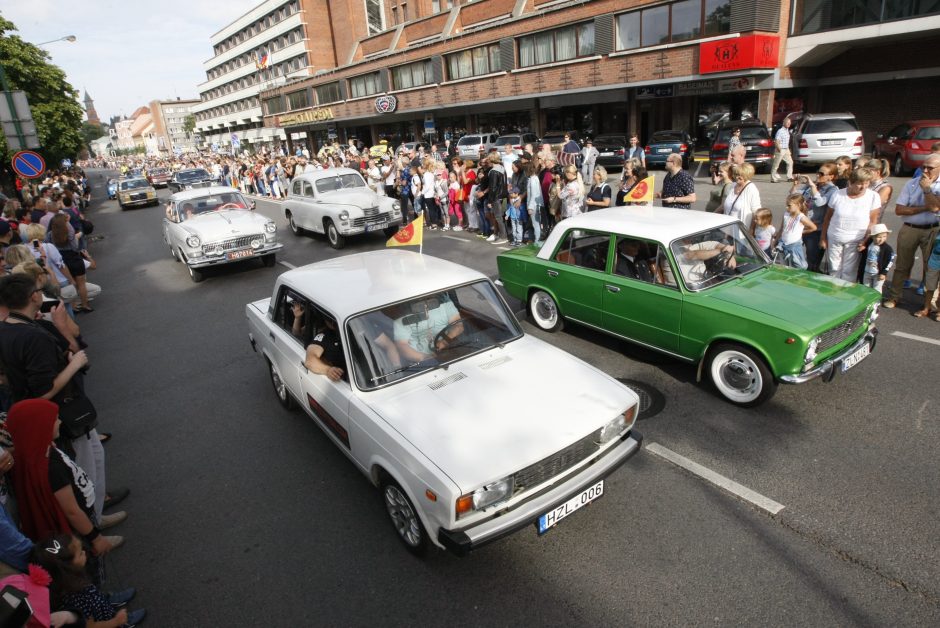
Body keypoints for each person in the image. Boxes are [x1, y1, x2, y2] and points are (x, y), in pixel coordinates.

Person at [32, 534, 145, 628]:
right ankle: (123, 622)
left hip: (95, 605)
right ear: (67, 568)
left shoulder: (68, 581)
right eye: (80, 553)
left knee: (98, 599)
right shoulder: (76, 601)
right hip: (104, 621)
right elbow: (91, 626)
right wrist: (115, 621)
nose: (84, 553)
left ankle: (108, 603)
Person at [883, 154, 940, 308]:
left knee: (930, 268)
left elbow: (936, 208)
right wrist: (924, 208)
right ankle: (895, 297)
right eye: (924, 167)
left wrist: (927, 190)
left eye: (930, 168)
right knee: (902, 265)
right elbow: (900, 210)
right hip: (910, 228)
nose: (926, 170)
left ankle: (928, 304)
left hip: (932, 229)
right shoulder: (911, 184)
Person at [821, 168, 881, 282]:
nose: (863, 187)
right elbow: (827, 218)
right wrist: (823, 238)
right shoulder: (838, 194)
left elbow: (873, 221)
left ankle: (846, 296)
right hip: (835, 237)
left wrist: (865, 240)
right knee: (834, 268)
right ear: (851, 182)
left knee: (849, 271)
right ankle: (833, 293)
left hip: (856, 239)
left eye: (866, 183)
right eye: (860, 183)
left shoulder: (873, 196)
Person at [393, 295, 462, 363]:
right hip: (422, 363)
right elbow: (402, 346)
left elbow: (458, 326)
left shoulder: (444, 303)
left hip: (450, 351)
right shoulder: (402, 317)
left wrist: (444, 342)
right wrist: (426, 358)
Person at [775, 194, 816, 269]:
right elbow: (782, 229)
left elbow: (813, 227)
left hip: (794, 246)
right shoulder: (786, 214)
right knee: (784, 266)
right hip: (783, 244)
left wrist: (802, 232)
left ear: (798, 205)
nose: (786, 207)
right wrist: (776, 240)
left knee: (799, 266)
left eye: (789, 205)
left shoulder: (801, 217)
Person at [856, 224, 895, 293]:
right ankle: (867, 302)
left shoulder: (887, 249)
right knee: (865, 290)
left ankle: (877, 303)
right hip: (867, 272)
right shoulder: (869, 244)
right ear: (872, 237)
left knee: (876, 291)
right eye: (879, 237)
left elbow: (890, 261)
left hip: (878, 274)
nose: (881, 239)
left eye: (884, 236)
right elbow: (865, 254)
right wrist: (862, 249)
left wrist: (884, 273)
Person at [303, 318, 345, 382]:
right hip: (342, 380)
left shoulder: (354, 329)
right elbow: (310, 361)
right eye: (329, 319)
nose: (333, 322)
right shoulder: (324, 336)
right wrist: (328, 370)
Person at [722, 163, 762, 229]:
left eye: (740, 175)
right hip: (728, 228)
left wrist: (751, 230)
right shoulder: (733, 186)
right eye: (736, 174)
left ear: (747, 175)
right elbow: (724, 205)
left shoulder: (751, 189)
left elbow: (756, 212)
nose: (737, 177)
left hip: (742, 230)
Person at [911, 231, 940, 320]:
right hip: (933, 262)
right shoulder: (936, 233)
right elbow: (930, 247)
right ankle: (926, 308)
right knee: (929, 287)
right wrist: (927, 260)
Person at [525, 160, 544, 244]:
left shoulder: (533, 179)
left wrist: (530, 207)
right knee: (537, 224)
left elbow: (533, 194)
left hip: (534, 205)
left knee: (535, 224)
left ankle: (537, 241)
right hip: (537, 204)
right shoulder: (535, 178)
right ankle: (538, 240)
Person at [770, 117, 794, 183]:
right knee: (776, 165)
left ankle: (789, 177)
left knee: (790, 162)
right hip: (780, 149)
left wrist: (788, 149)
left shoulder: (787, 131)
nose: (789, 124)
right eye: (787, 122)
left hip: (786, 149)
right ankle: (773, 178)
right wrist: (779, 149)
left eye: (789, 123)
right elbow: (777, 141)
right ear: (784, 123)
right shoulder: (780, 131)